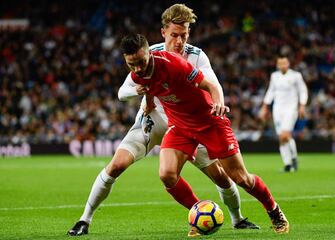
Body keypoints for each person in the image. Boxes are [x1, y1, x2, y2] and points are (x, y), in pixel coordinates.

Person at [67, 4, 258, 237]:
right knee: (116, 165)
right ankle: (84, 220)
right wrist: (140, 90)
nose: (180, 41)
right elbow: (123, 91)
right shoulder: (148, 54)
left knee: (220, 175)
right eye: (175, 35)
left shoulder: (197, 56)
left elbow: (212, 84)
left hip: (187, 125)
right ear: (163, 32)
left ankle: (237, 219)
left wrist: (217, 102)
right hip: (153, 120)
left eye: (184, 35)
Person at [120, 33, 290, 236]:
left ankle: (274, 211)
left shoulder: (174, 64)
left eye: (141, 62)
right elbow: (149, 87)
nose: (138, 68)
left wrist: (218, 101)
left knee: (241, 178)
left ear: (150, 54)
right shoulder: (137, 73)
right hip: (180, 126)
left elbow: (210, 85)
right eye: (132, 64)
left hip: (209, 122)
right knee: (167, 174)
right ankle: (200, 213)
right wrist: (148, 104)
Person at [259, 56, 308, 172]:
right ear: (277, 65)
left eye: (285, 63)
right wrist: (265, 107)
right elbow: (271, 91)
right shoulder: (274, 76)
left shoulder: (296, 76)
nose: (283, 65)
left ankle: (293, 159)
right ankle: (288, 164)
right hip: (277, 109)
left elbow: (303, 91)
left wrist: (302, 105)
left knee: (285, 135)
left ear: (288, 63)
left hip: (291, 109)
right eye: (280, 63)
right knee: (282, 138)